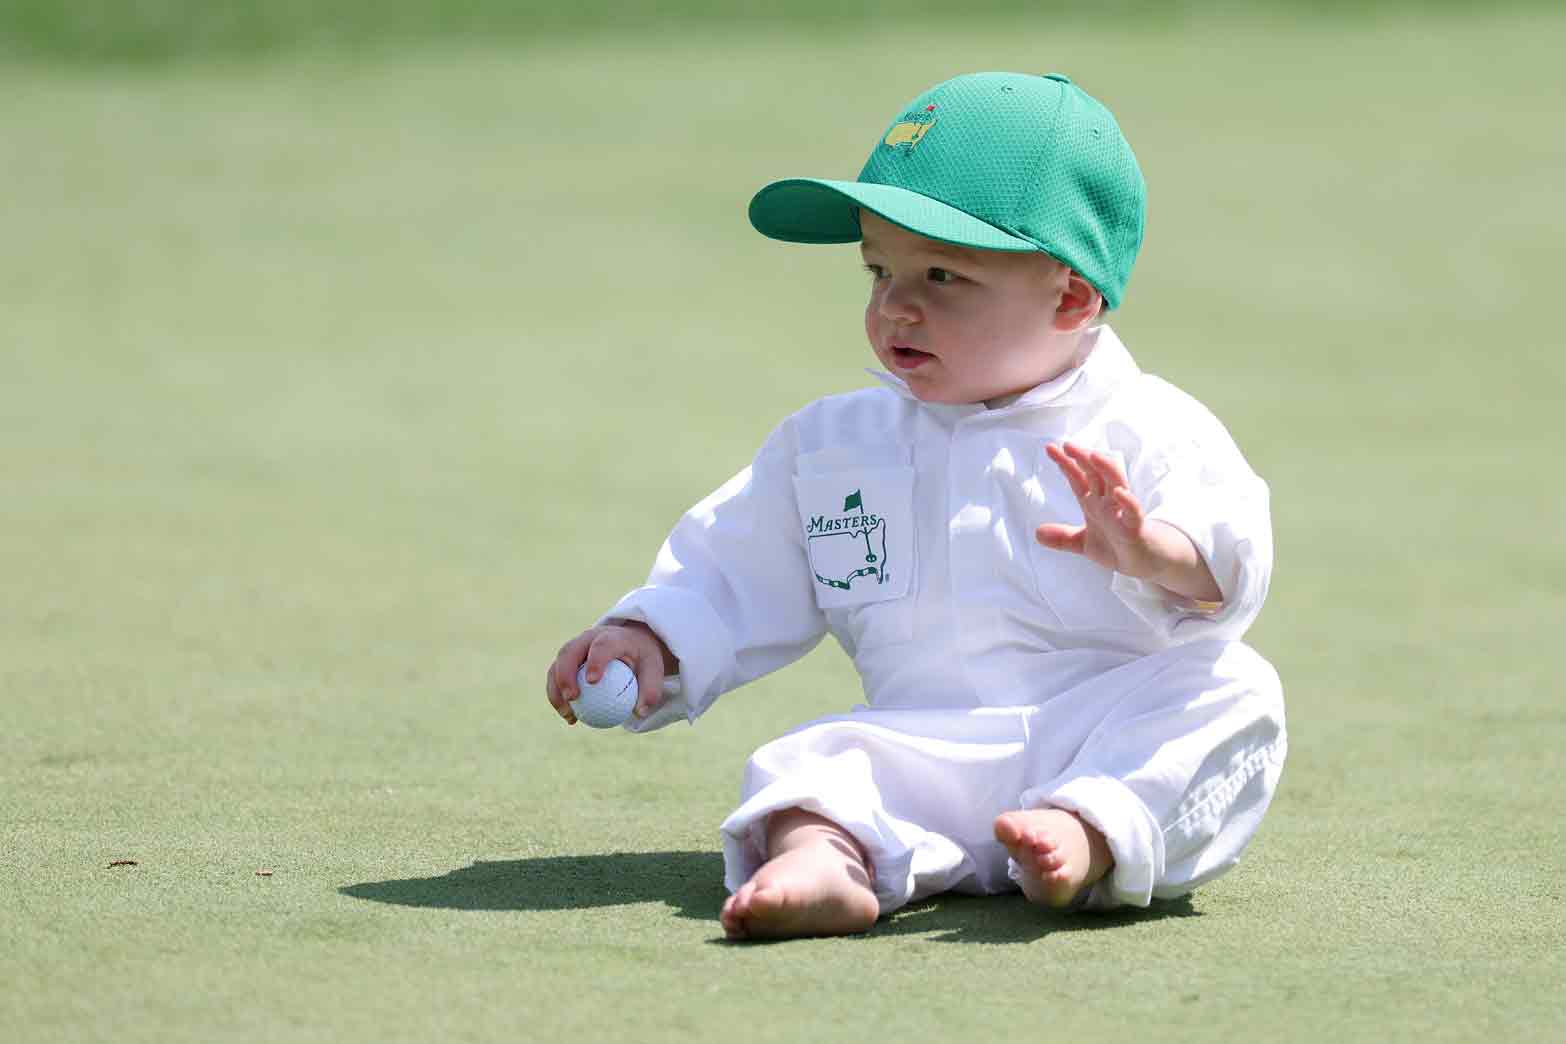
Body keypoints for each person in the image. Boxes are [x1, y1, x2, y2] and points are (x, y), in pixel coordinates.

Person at [544, 72, 1286, 940]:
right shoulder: (835, 444)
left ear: (1073, 296)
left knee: (1237, 691)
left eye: (942, 273)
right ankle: (826, 861)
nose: (896, 303)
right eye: (879, 268)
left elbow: (1232, 557)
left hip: (1101, 734)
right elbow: (733, 564)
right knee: (811, 763)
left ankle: (1089, 830)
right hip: (920, 747)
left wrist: (1152, 551)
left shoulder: (1148, 427)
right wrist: (654, 636)